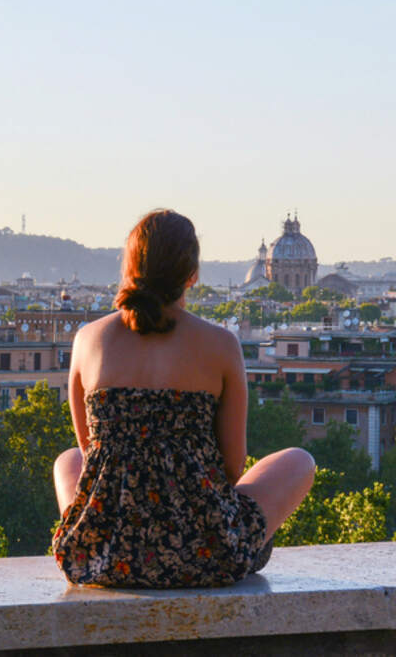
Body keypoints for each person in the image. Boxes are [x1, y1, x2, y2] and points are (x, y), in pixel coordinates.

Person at [51, 209, 314, 588]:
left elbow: (90, 453)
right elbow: (231, 468)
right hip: (205, 552)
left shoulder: (87, 340)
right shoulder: (222, 345)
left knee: (69, 460)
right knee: (299, 461)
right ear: (193, 274)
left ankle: (98, 539)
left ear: (130, 267)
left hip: (102, 554)